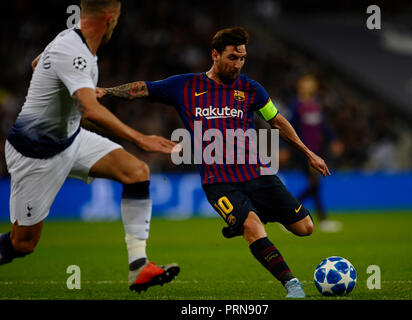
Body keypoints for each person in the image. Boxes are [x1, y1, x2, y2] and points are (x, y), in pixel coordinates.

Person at [97, 26, 331, 298]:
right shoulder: (184, 86)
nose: (238, 64)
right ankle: (292, 286)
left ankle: (244, 219)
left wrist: (308, 152)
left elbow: (276, 120)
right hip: (219, 182)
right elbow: (142, 89)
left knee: (305, 228)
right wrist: (107, 91)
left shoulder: (251, 89)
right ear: (215, 55)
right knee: (252, 228)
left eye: (242, 58)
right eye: (232, 57)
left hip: (257, 174)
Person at [0, 0, 180, 294]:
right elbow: (91, 111)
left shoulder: (70, 40)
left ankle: (139, 267)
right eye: (118, 19)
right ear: (111, 17)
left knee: (136, 171)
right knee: (23, 244)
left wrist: (70, 84)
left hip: (70, 138)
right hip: (36, 155)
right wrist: (140, 138)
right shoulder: (74, 51)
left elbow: (37, 64)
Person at [287, 75, 343, 233]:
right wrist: (287, 148)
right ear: (301, 86)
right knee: (315, 184)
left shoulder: (316, 105)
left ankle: (290, 213)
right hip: (304, 152)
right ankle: (296, 214)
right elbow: (289, 127)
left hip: (316, 151)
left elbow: (323, 126)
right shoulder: (296, 106)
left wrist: (333, 139)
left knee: (315, 185)